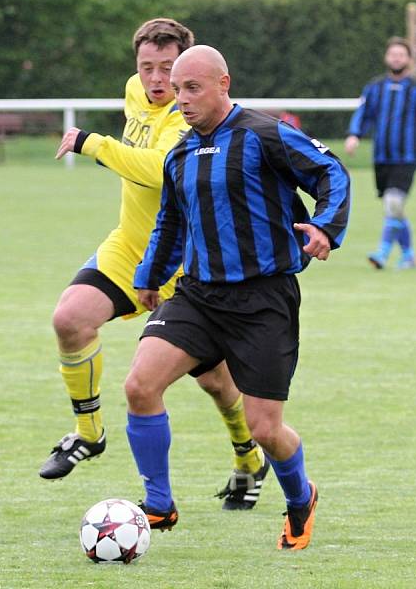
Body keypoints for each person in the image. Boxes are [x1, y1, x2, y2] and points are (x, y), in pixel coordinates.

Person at [124, 45, 350, 550]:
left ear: (224, 84)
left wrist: (325, 229)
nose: (181, 98)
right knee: (140, 385)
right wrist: (149, 276)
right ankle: (159, 506)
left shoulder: (263, 134)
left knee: (265, 430)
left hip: (263, 300)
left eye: (192, 88)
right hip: (199, 296)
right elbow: (171, 222)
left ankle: (300, 498)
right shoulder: (180, 154)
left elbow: (330, 172)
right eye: (177, 89)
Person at [43, 19, 270, 513]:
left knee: (215, 381)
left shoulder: (190, 115)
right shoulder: (135, 92)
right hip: (130, 246)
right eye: (147, 67)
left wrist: (93, 143)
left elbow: (160, 171)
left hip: (185, 261)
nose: (156, 79)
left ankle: (249, 457)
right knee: (69, 319)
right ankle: (89, 431)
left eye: (168, 68)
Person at [345, 36, 416, 270]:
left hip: (407, 157)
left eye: (401, 54)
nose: (396, 58)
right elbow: (364, 114)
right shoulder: (375, 88)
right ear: (386, 57)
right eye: (393, 54)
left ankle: (382, 252)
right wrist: (354, 134)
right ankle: (408, 255)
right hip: (381, 157)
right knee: (393, 208)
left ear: (408, 59)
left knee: (393, 202)